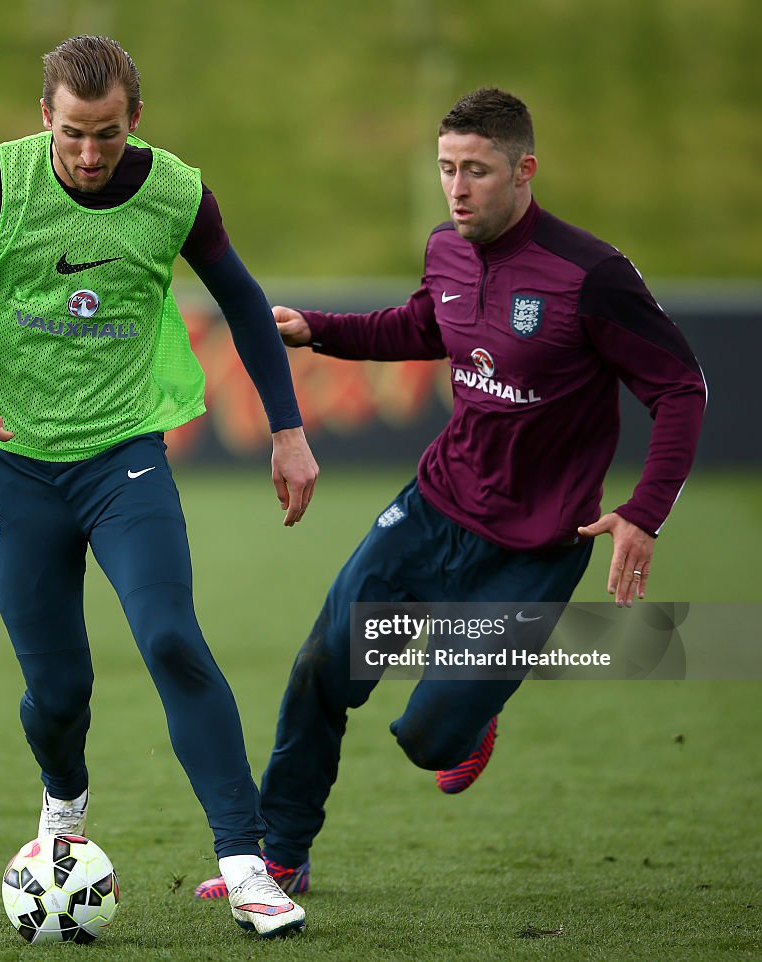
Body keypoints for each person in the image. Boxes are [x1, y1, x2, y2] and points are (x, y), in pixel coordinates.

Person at [194, 86, 706, 899]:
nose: (457, 189)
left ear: (524, 170)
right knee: (323, 667)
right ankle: (279, 855)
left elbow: (680, 389)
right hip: (434, 510)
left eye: (476, 171)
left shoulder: (591, 276)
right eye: (445, 169)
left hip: (540, 548)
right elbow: (425, 327)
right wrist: (316, 328)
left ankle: (470, 715)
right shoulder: (447, 248)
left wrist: (643, 514)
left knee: (430, 740)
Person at [0, 35, 317, 938]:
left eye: (110, 136)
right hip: (13, 466)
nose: (90, 157)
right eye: (75, 134)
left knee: (169, 636)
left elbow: (243, 303)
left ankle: (246, 867)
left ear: (137, 122)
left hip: (123, 455)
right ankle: (64, 801)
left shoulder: (176, 194)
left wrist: (288, 432)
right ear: (45, 116)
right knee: (59, 694)